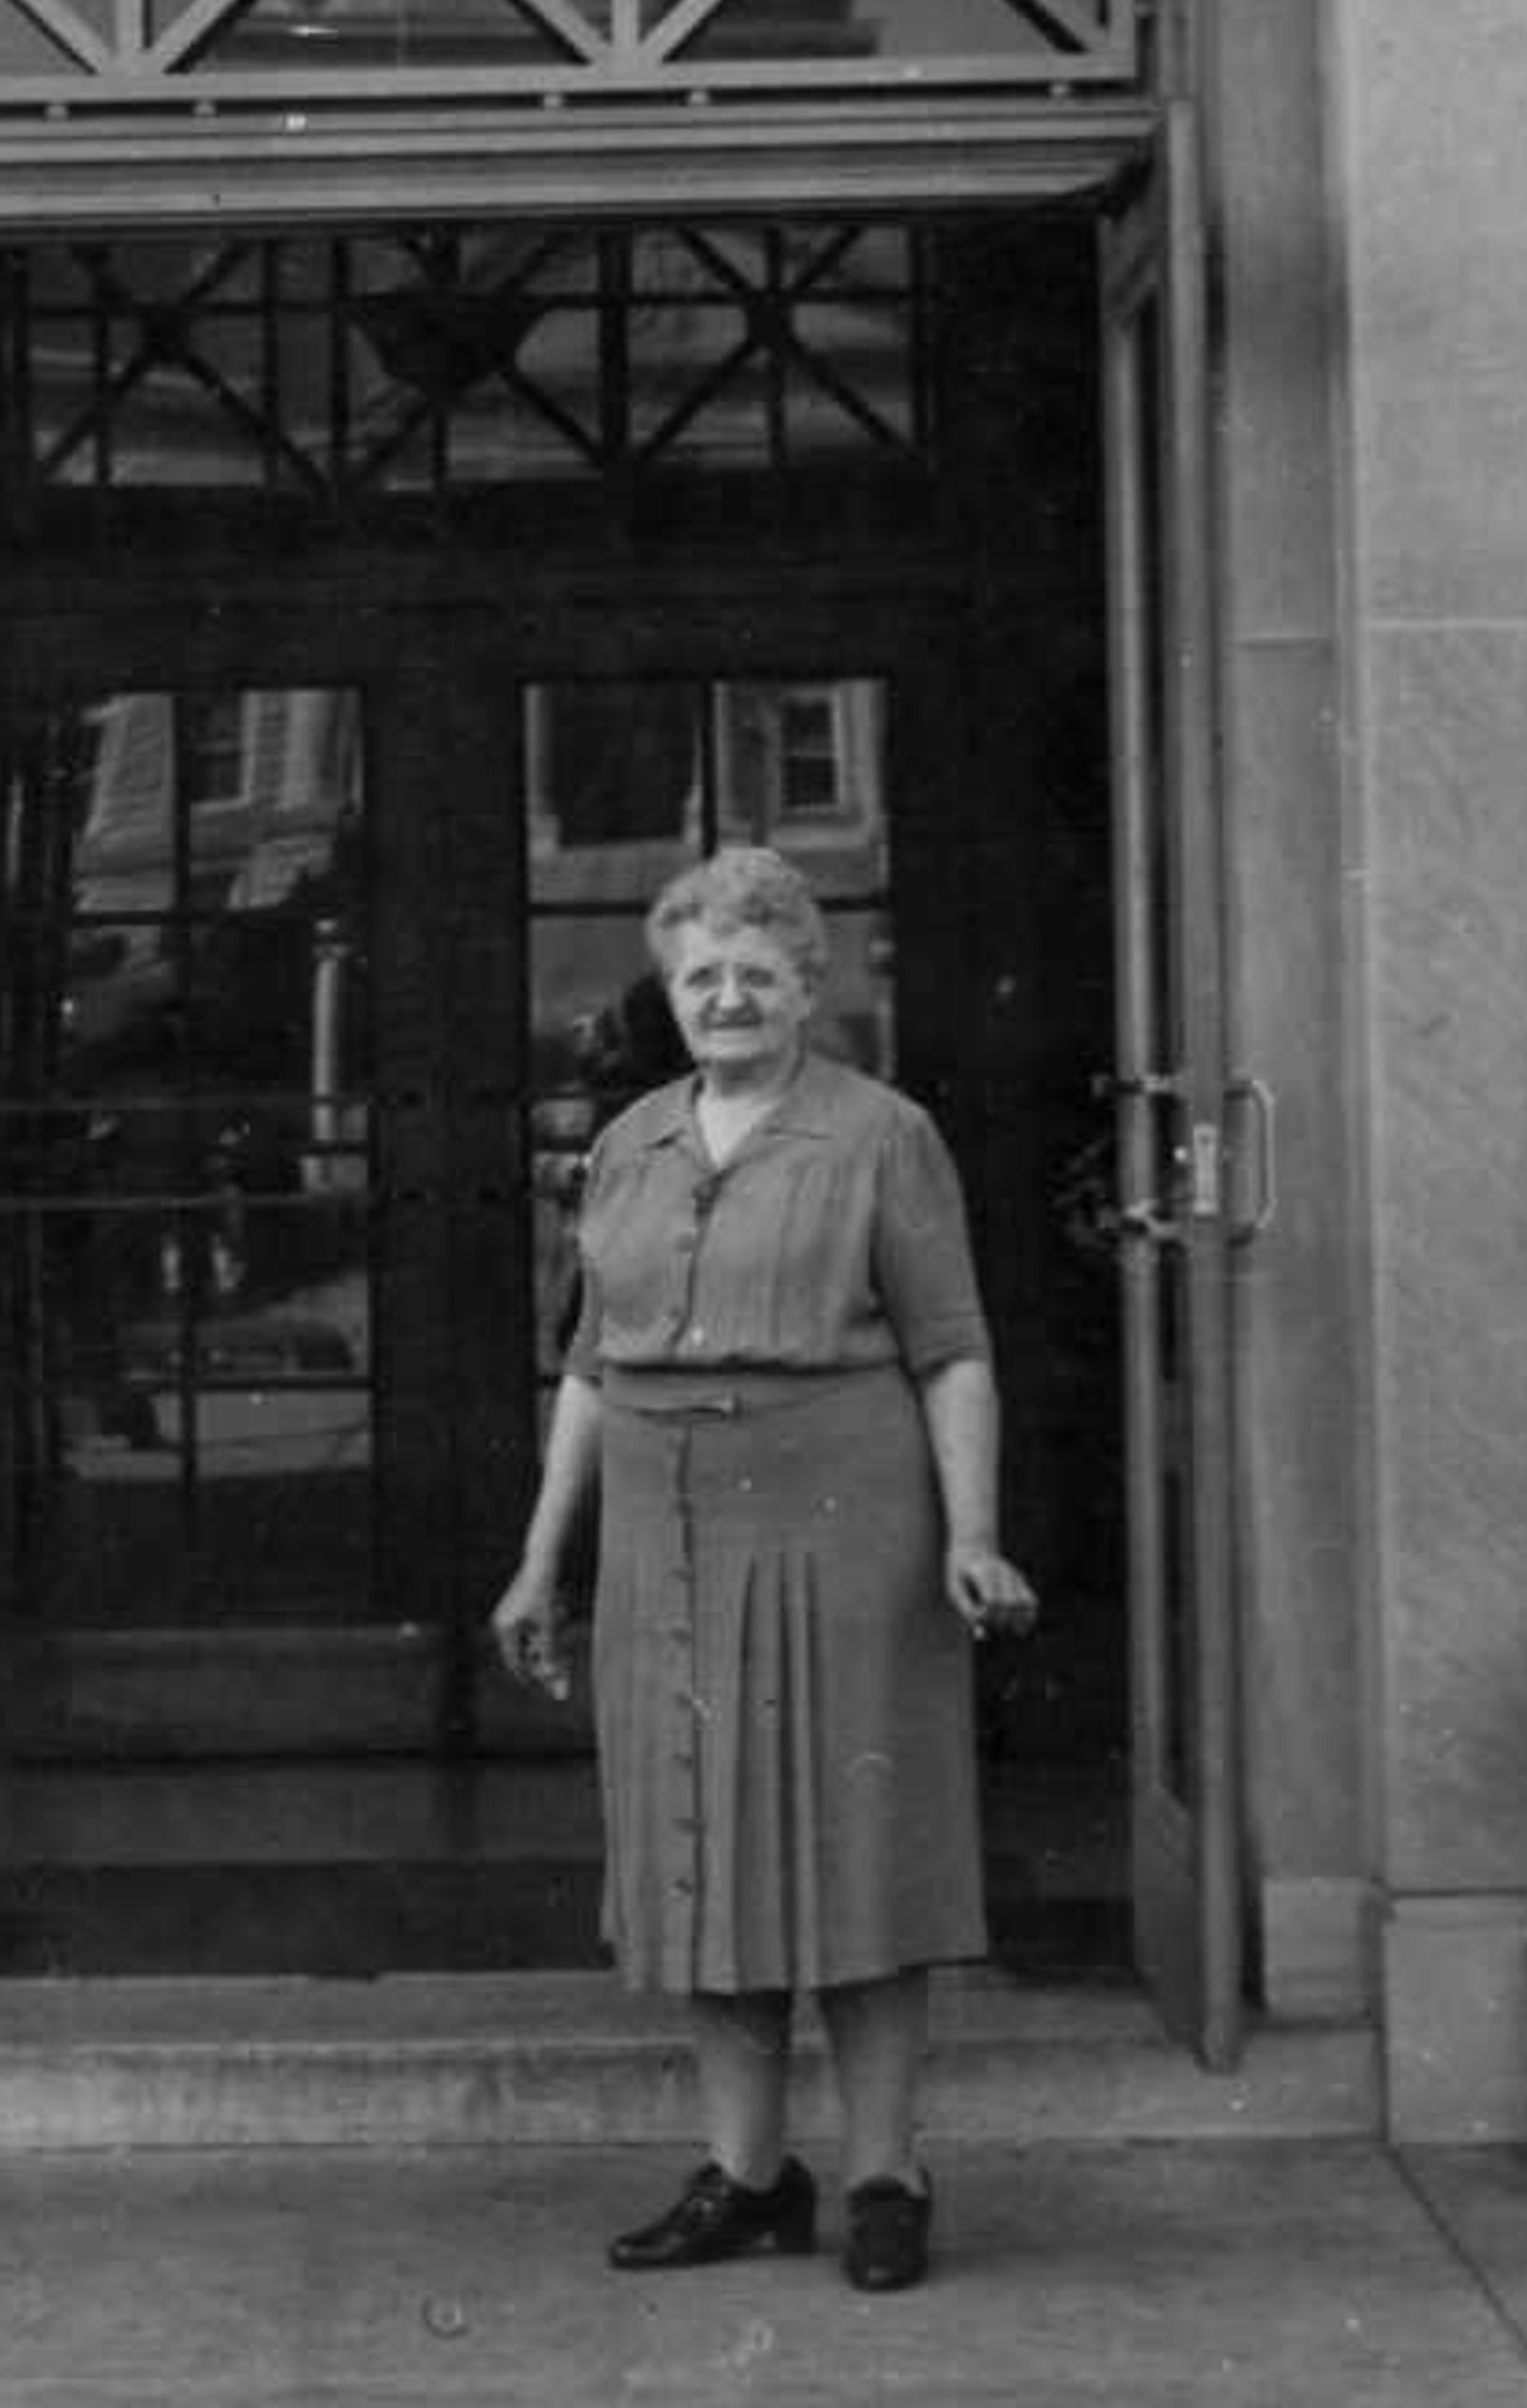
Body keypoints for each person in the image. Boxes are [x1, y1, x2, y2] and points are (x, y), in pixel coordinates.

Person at [490, 842, 1039, 2297]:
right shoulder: (631, 1146)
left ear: (810, 984)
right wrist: (545, 1558)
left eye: (757, 971)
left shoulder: (881, 1135)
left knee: (859, 1858)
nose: (727, 995)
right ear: (669, 994)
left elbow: (955, 1350)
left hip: (845, 1526)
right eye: (700, 974)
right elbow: (591, 1370)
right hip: (663, 1538)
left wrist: (972, 1534)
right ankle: (745, 2177)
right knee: (702, 1859)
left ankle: (883, 2174)